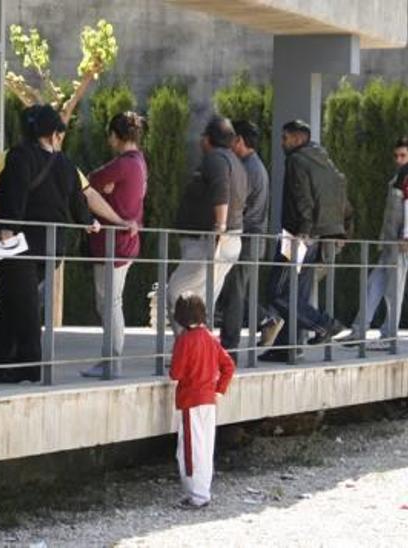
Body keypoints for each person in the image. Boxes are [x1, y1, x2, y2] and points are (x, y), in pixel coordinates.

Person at [0, 105, 96, 383]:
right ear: (54, 133)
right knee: (8, 304)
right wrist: (89, 221)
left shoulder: (19, 157)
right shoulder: (67, 165)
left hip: (19, 244)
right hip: (51, 248)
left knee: (24, 306)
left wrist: (6, 229)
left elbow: (13, 196)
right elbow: (78, 201)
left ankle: (29, 366)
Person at [260, 120, 349, 362]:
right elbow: (342, 196)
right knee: (296, 296)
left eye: (284, 138)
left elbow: (303, 200)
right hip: (319, 238)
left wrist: (303, 232)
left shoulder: (297, 161)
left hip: (298, 236)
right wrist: (342, 232)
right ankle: (286, 349)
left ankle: (324, 324)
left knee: (276, 292)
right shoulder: (325, 162)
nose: (282, 143)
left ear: (298, 138)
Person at [80, 112, 148, 378]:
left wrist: (105, 190)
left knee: (109, 303)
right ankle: (110, 360)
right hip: (125, 242)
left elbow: (87, 181)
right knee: (110, 302)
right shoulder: (139, 162)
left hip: (114, 244)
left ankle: (112, 361)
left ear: (117, 136)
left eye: (110, 134)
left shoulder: (122, 165)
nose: (108, 139)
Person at [167, 116, 246, 335]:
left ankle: (190, 349)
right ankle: (200, 352)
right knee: (200, 302)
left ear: (208, 138)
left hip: (211, 241)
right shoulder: (235, 161)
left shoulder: (216, 159)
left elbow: (221, 190)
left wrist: (219, 227)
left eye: (203, 136)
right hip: (227, 239)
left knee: (176, 293)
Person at [339, 138, 408, 350]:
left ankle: (389, 335)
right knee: (374, 284)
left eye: (403, 156)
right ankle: (360, 329)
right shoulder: (399, 176)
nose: (398, 160)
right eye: (396, 155)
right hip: (390, 242)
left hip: (400, 243)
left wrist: (406, 236)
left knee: (392, 289)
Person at [168, 294, 235, 509]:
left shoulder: (184, 340)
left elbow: (176, 373)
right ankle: (202, 491)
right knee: (205, 448)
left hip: (190, 400)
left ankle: (196, 495)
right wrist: (219, 389)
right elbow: (228, 366)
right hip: (209, 400)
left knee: (189, 449)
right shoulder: (210, 337)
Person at [217, 120, 273, 361]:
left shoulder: (248, 168)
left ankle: (229, 347)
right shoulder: (254, 165)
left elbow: (241, 206)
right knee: (233, 290)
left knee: (234, 293)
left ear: (239, 140)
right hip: (251, 237)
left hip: (247, 237)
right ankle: (265, 319)